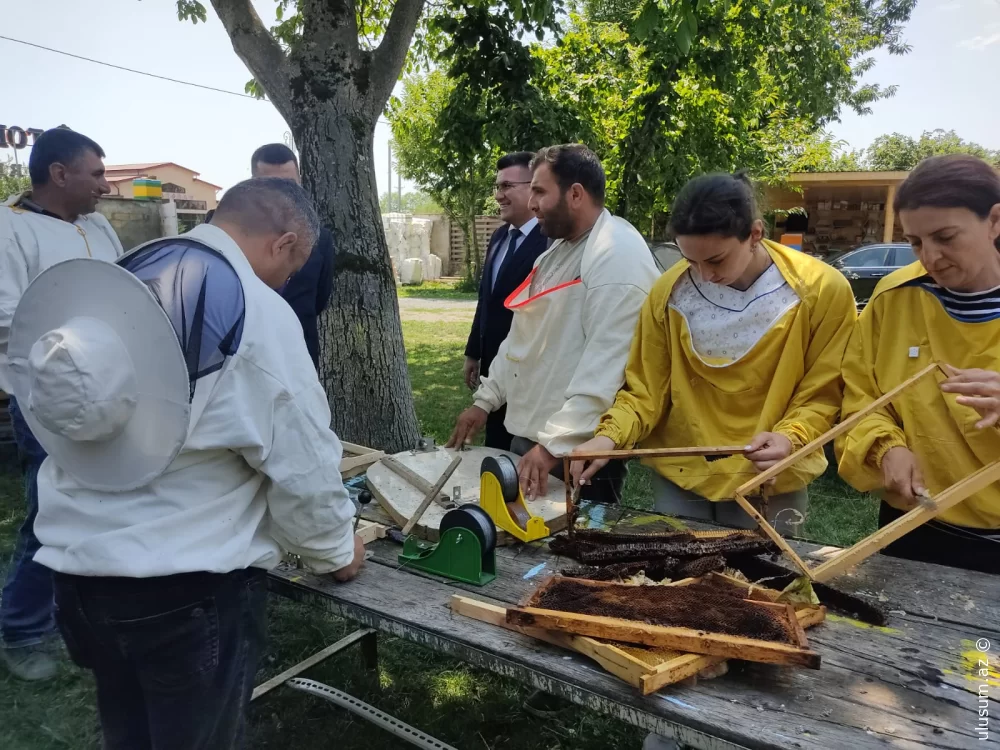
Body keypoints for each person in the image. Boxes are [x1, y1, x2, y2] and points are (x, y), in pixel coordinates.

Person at [8, 178, 363, 749]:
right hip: (185, 597)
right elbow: (303, 462)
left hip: (79, 584)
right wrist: (336, 549)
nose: (288, 282)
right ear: (283, 241)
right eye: (293, 267)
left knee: (129, 734)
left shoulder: (129, 272)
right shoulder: (260, 313)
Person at [570, 172, 856, 533]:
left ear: (755, 234)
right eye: (690, 261)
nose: (704, 275)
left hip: (768, 472)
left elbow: (823, 390)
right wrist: (607, 437)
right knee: (682, 575)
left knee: (763, 582)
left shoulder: (821, 291)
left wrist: (790, 437)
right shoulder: (667, 294)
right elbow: (645, 390)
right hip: (683, 472)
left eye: (716, 260)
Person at [447, 144, 660, 504]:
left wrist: (554, 446)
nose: (532, 204)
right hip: (534, 443)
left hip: (577, 454)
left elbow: (607, 370)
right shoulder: (555, 253)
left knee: (573, 552)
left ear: (575, 194)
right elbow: (522, 340)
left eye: (540, 192)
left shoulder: (616, 257)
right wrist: (485, 401)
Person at [837, 154, 1000, 574]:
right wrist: (886, 447)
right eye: (915, 242)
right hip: (914, 523)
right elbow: (860, 397)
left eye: (946, 236)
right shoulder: (894, 295)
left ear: (995, 221)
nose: (931, 256)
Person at [0, 127, 123, 681]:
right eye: (95, 173)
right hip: (43, 401)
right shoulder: (10, 230)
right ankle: (22, 631)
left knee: (105, 502)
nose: (105, 183)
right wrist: (79, 347)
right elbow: (7, 320)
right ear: (58, 173)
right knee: (51, 513)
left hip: (111, 391)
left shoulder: (96, 227)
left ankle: (83, 613)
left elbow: (127, 293)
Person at [464, 151, 549, 449]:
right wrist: (474, 351)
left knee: (520, 456)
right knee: (495, 449)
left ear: (534, 187)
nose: (498, 196)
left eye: (506, 187)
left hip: (528, 373)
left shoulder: (551, 242)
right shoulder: (499, 237)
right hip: (492, 367)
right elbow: (486, 300)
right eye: (497, 187)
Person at [251, 143, 335, 369]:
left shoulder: (320, 240)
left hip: (300, 366)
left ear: (300, 183)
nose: (283, 196)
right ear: (251, 186)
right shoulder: (231, 237)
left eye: (289, 186)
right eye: (271, 186)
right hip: (243, 368)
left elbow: (318, 302)